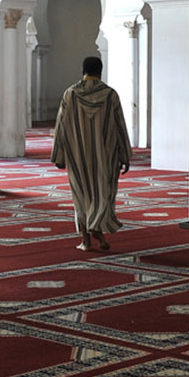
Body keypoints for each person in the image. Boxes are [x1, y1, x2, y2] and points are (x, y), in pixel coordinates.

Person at [51, 55, 132, 252]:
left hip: (77, 154)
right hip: (106, 155)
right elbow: (120, 126)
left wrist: (59, 156)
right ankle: (98, 228)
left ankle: (85, 239)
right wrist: (124, 155)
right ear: (100, 71)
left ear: (83, 71)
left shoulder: (70, 94)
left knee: (81, 194)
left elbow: (60, 126)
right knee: (103, 193)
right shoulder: (110, 95)